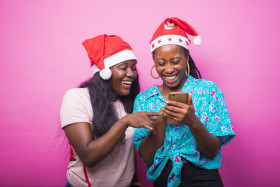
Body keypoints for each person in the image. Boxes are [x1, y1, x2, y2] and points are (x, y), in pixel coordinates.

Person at [133, 17, 235, 187]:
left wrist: (192, 121)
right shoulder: (144, 99)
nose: (168, 69)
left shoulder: (207, 91)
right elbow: (147, 157)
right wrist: (160, 122)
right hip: (163, 179)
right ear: (154, 62)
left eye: (175, 61)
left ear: (186, 56)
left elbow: (212, 151)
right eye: (161, 63)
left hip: (203, 179)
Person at [60, 34, 159, 187]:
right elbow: (88, 156)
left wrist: (136, 180)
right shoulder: (76, 97)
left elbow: (127, 148)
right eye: (123, 67)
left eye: (133, 68)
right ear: (105, 72)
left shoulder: (126, 103)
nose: (132, 73)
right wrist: (125, 122)